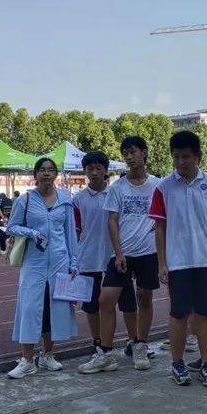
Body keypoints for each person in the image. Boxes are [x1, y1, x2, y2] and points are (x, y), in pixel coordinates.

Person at [150, 130, 207, 387]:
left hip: (206, 261)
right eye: (176, 157)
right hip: (178, 262)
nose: (180, 162)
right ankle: (178, 363)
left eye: (186, 157)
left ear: (198, 157)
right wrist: (162, 263)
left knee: (206, 314)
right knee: (179, 313)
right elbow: (159, 228)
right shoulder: (163, 188)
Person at [5, 157, 79, 378]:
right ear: (35, 175)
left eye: (50, 170)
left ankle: (48, 355)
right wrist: (32, 233)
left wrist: (74, 262)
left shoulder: (66, 198)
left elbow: (70, 233)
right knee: (29, 308)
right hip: (34, 262)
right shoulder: (25, 200)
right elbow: (11, 226)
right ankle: (27, 359)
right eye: (42, 170)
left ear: (55, 174)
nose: (46, 174)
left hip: (59, 260)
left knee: (53, 308)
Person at [98, 136, 161, 370]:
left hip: (149, 252)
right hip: (122, 254)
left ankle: (141, 345)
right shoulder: (117, 187)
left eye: (133, 151)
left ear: (144, 153)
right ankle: (105, 353)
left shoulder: (158, 185)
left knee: (145, 297)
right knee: (106, 299)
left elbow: (165, 217)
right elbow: (112, 221)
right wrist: (118, 252)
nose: (129, 157)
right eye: (125, 153)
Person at [74, 151, 139, 375]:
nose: (94, 172)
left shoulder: (116, 193)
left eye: (98, 168)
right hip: (89, 259)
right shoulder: (78, 199)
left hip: (116, 257)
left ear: (105, 170)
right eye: (89, 168)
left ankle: (134, 341)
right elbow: (75, 230)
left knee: (128, 301)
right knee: (91, 305)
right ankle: (98, 343)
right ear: (84, 171)